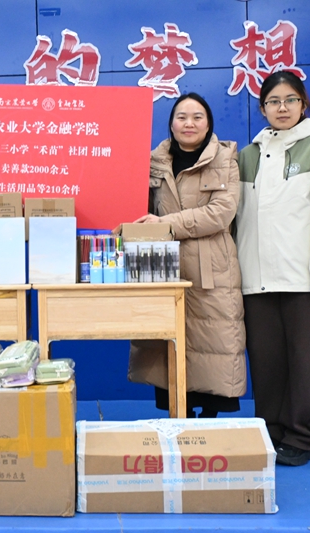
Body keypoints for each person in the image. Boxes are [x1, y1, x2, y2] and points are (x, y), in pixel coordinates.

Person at [236, 71, 310, 466]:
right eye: (273, 101)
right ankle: (270, 432)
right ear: (262, 108)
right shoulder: (247, 157)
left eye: (290, 100)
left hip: (305, 280)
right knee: (266, 363)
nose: (282, 108)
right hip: (256, 281)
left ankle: (303, 437)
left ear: (304, 104)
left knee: (305, 363)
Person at [130, 93, 247, 418]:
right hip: (161, 265)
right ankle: (178, 417)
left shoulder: (226, 160)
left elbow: (221, 213)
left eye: (197, 117)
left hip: (211, 268)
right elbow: (136, 208)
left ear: (209, 124)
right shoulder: (153, 161)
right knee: (168, 341)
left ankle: (208, 419)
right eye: (181, 117)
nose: (189, 123)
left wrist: (166, 224)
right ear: (171, 124)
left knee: (212, 340)